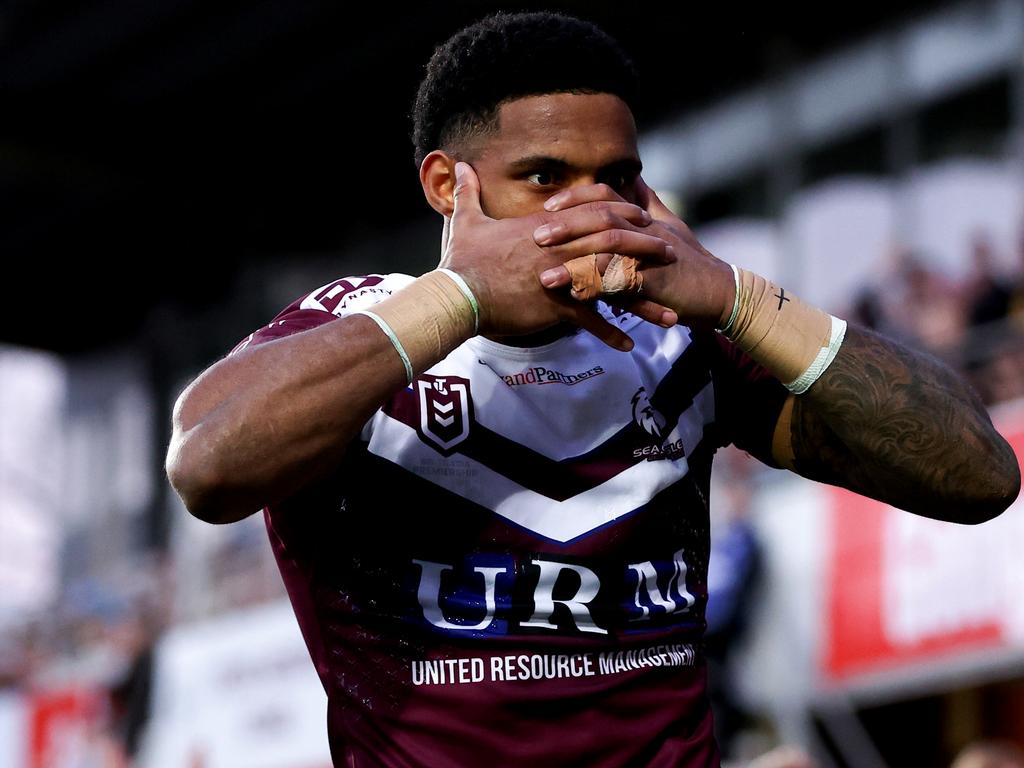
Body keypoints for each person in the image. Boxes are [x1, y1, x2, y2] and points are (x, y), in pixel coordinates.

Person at [165, 12, 1020, 767]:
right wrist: (460, 296)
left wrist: (734, 295)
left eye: (615, 179)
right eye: (545, 178)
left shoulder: (687, 343)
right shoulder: (361, 328)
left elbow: (978, 474)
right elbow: (207, 466)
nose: (591, 212)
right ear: (444, 187)